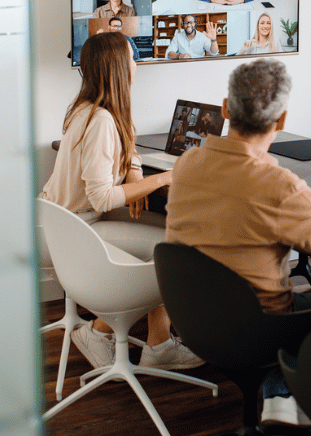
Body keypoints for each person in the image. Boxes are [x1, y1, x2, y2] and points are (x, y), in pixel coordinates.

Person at [166, 59, 311, 428]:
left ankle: (280, 393)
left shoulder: (186, 164)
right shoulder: (277, 186)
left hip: (192, 320)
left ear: (225, 109)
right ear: (282, 120)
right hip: (257, 329)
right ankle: (296, 394)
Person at [39, 32, 201, 371]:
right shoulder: (100, 120)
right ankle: (102, 334)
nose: (137, 65)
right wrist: (165, 178)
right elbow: (101, 198)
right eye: (132, 58)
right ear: (117, 67)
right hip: (77, 228)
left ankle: (158, 343)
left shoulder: (93, 109)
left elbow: (129, 149)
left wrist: (135, 176)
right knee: (173, 254)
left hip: (68, 222)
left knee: (173, 233)